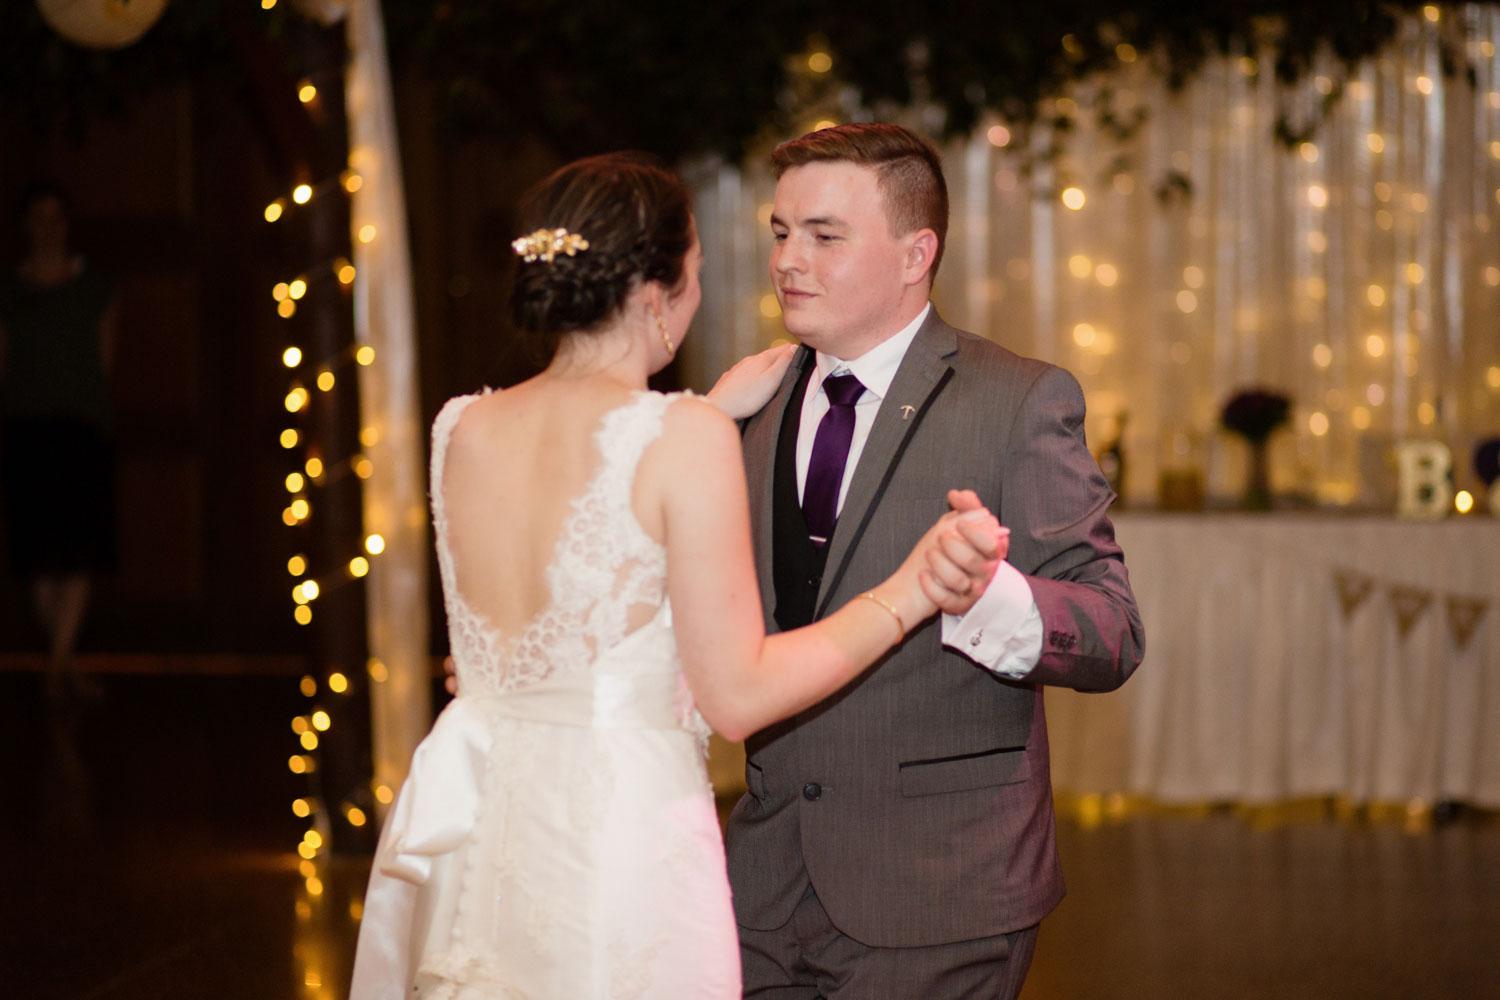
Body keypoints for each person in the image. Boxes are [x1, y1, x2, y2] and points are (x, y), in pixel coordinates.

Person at [348, 152, 1006, 999]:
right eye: (697, 269)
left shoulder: (460, 428)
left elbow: (567, 575)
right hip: (616, 833)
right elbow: (737, 694)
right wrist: (912, 587)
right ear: (659, 291)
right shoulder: (680, 440)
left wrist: (704, 410)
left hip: (478, 831)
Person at [724, 123, 1145, 998]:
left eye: (824, 235)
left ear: (917, 253)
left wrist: (993, 596)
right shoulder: (749, 401)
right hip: (759, 893)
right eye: (779, 231)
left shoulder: (1019, 398)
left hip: (940, 895)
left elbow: (1112, 629)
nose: (788, 260)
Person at [0, 181, 119, 704]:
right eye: (38, 217)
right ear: (27, 225)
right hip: (26, 426)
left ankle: (58, 663)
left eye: (56, 217)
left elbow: (105, 358)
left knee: (78, 552)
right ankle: (61, 661)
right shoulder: (11, 290)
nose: (48, 228)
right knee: (39, 553)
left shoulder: (96, 286)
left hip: (81, 427)